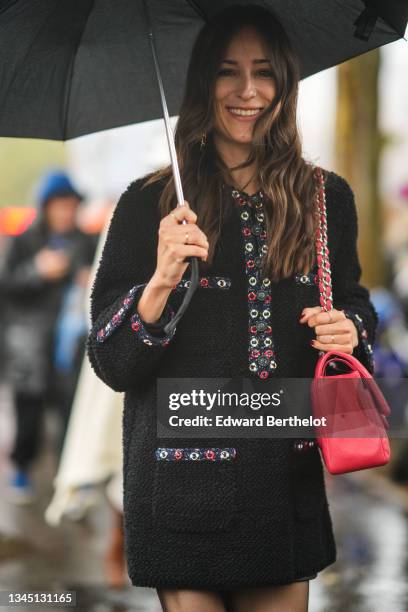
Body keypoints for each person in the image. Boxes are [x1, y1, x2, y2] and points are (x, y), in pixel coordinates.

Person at [87, 6, 378, 612]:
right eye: (228, 71)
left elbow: (353, 302)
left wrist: (347, 329)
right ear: (202, 84)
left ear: (286, 82)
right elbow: (110, 362)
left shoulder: (326, 197)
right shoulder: (149, 204)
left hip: (282, 482)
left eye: (264, 72)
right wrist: (161, 279)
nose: (248, 91)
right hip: (179, 478)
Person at [1, 170, 95, 503]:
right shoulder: (24, 240)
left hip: (70, 343)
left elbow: (101, 280)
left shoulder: (86, 241)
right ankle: (22, 469)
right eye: (58, 205)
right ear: (45, 207)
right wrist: (36, 271)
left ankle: (69, 478)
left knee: (70, 412)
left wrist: (89, 280)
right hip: (28, 342)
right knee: (28, 412)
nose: (65, 212)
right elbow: (7, 285)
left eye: (70, 205)